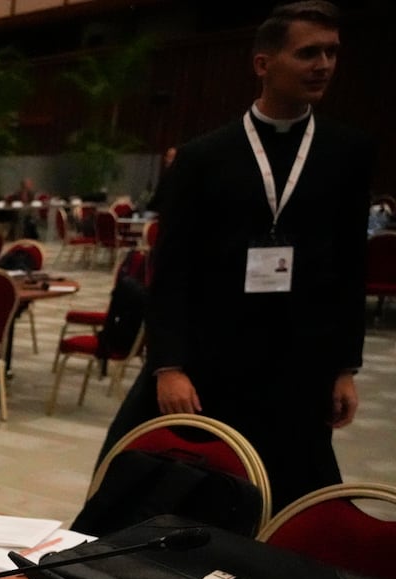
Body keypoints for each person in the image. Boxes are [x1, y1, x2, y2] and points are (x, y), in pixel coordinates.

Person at [98, 1, 372, 510]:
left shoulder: (347, 153)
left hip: (300, 364)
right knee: (168, 491)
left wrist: (344, 366)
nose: (324, 65)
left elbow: (349, 267)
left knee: (289, 497)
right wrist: (169, 366)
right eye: (308, 52)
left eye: (332, 53)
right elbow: (172, 270)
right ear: (263, 64)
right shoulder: (205, 157)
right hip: (210, 360)